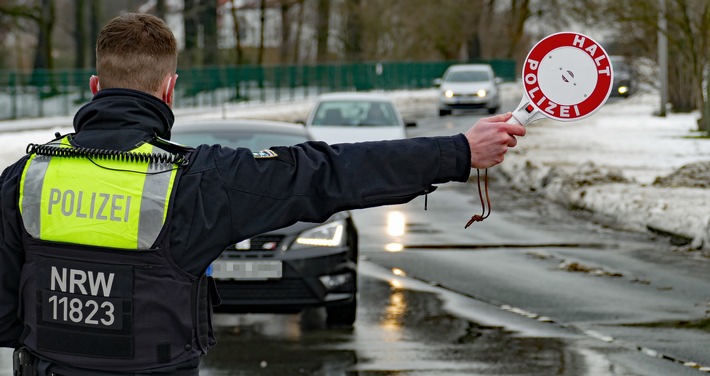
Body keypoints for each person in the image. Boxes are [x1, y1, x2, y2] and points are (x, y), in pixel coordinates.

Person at [0, 13, 525, 376]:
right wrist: (458, 150)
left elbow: (5, 315)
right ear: (169, 90)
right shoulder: (194, 183)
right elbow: (326, 173)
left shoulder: (25, 178)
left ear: (95, 87)